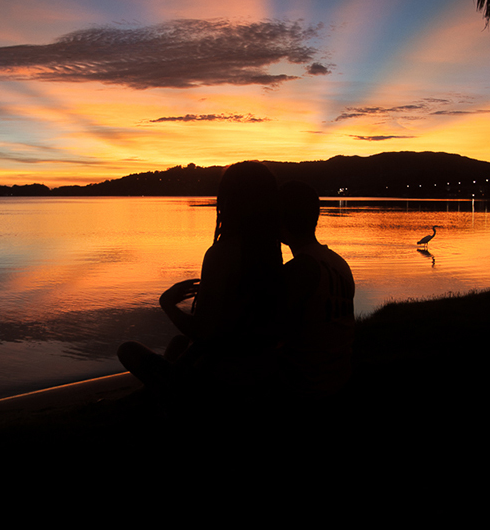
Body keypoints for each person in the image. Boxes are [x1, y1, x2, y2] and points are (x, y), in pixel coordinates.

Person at [117, 161, 285, 398]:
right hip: (262, 372)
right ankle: (150, 397)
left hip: (220, 383)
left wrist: (167, 304)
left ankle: (166, 400)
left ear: (229, 200)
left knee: (128, 350)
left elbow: (202, 333)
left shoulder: (222, 253)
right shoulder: (271, 251)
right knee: (178, 343)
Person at [277, 180, 355, 398]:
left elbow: (266, 332)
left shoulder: (299, 270)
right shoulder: (338, 263)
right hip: (339, 378)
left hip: (305, 388)